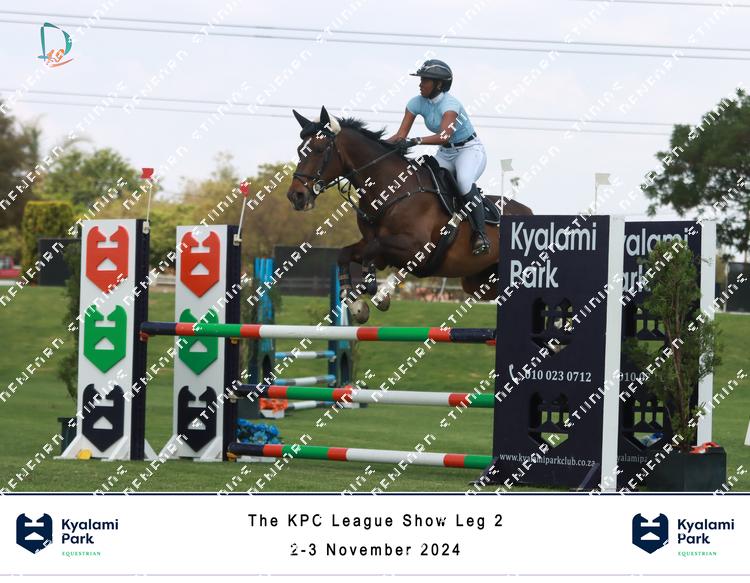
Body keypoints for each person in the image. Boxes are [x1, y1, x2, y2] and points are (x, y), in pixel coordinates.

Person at [386, 59, 489, 255]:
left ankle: (481, 235)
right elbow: (400, 135)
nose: (420, 84)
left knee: (464, 183)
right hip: (446, 153)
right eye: (421, 79)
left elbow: (444, 136)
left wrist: (416, 141)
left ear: (439, 84)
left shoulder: (450, 105)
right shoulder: (416, 103)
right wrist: (379, 145)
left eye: (425, 80)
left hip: (469, 150)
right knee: (427, 180)